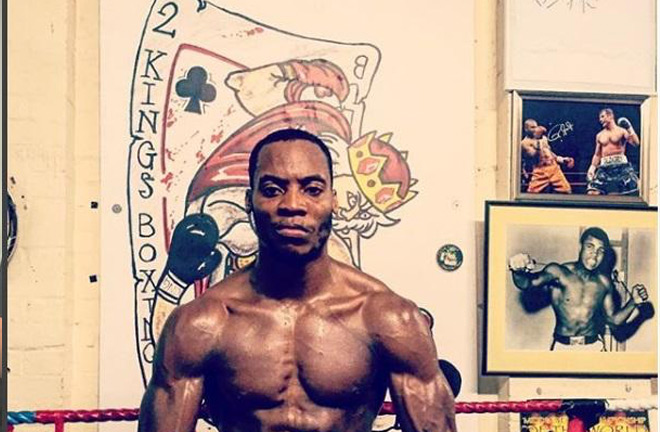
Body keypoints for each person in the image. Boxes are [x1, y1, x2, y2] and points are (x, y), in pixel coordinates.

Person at [139, 129, 457, 432]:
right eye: (273, 189)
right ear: (249, 201)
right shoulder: (201, 324)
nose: (292, 205)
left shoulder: (387, 318)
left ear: (334, 199)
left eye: (312, 189)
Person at [508, 227, 650, 351]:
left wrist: (633, 301)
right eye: (590, 246)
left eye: (600, 250)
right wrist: (517, 270)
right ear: (580, 247)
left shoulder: (604, 283)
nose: (594, 254)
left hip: (594, 347)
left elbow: (614, 321)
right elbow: (527, 284)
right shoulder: (559, 272)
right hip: (562, 347)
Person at [587, 108, 640, 195]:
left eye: (602, 116)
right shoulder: (599, 135)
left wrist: (630, 129)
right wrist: (592, 167)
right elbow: (597, 154)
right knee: (592, 192)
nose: (600, 120)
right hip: (605, 168)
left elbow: (636, 143)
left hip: (621, 167)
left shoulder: (622, 131)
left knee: (632, 191)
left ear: (610, 116)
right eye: (600, 118)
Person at [520, 119, 574, 194]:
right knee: (532, 194)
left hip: (554, 168)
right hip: (540, 171)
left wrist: (561, 159)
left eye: (536, 127)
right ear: (526, 129)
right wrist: (538, 140)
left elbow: (549, 152)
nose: (535, 129)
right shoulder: (524, 143)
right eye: (532, 127)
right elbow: (534, 155)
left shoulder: (544, 138)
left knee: (567, 191)